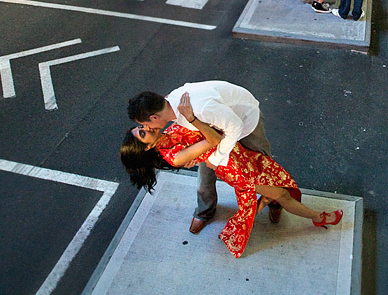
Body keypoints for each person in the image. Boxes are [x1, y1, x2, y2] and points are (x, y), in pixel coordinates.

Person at [122, 94, 342, 258]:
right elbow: (213, 140)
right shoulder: (174, 157)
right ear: (147, 148)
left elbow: (168, 111)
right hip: (236, 168)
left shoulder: (168, 132)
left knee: (278, 186)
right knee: (282, 194)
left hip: (239, 154)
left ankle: (266, 202)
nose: (146, 127)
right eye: (142, 132)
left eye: (142, 125)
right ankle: (318, 217)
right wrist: (193, 119)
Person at [127, 82, 291, 236]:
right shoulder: (170, 106)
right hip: (216, 130)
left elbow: (234, 128)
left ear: (154, 117)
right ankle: (205, 212)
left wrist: (215, 157)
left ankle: (276, 201)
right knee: (204, 181)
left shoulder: (199, 109)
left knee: (264, 165)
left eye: (144, 124)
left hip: (244, 121)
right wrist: (193, 153)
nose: (147, 127)